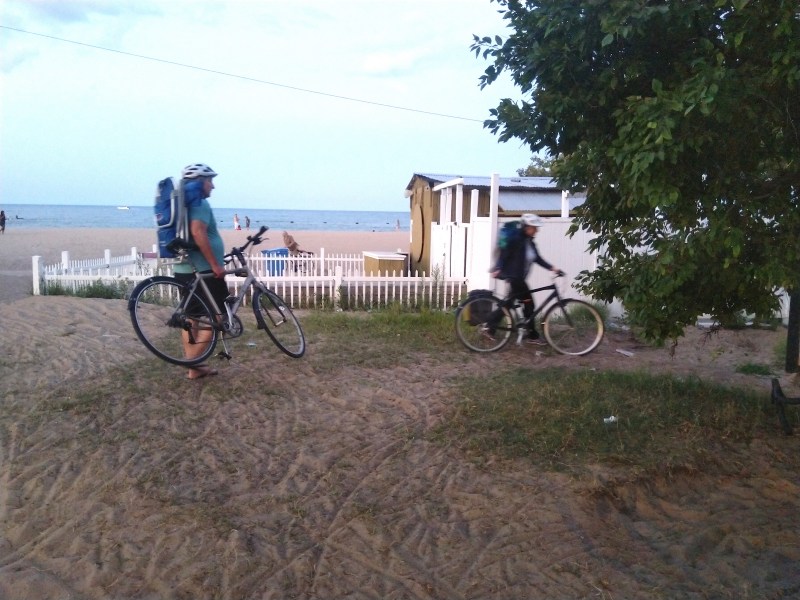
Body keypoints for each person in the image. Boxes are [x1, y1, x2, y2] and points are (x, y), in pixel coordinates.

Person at [173, 163, 227, 379]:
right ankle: (191, 363)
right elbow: (197, 232)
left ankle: (195, 368)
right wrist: (215, 265)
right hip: (203, 271)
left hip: (184, 268)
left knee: (192, 319)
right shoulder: (200, 203)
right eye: (210, 181)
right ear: (200, 182)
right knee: (217, 319)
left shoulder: (182, 203)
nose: (212, 186)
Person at [488, 214, 564, 344]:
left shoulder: (530, 242)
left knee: (509, 303)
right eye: (534, 227)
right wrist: (498, 267)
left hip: (518, 278)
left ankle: (489, 328)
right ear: (527, 227)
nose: (537, 230)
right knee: (529, 304)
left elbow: (537, 259)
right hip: (515, 278)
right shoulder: (517, 239)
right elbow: (505, 253)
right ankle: (532, 336)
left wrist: (552, 268)